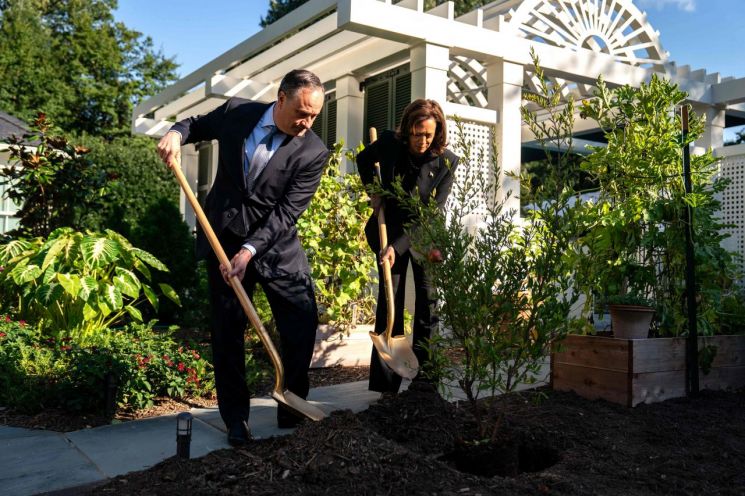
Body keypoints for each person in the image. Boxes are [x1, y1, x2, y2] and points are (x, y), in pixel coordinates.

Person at [157, 69, 329, 446]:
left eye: (314, 115)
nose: (307, 122)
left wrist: (250, 251)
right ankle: (236, 419)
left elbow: (286, 212)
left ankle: (292, 407)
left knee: (301, 326)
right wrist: (175, 133)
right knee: (228, 332)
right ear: (280, 99)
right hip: (224, 241)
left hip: (277, 249)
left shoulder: (313, 151)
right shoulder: (238, 112)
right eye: (302, 112)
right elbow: (194, 124)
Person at [355, 98, 459, 393]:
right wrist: (373, 191)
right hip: (388, 228)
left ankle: (427, 381)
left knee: (428, 304)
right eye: (417, 134)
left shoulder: (447, 162)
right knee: (390, 301)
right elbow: (363, 160)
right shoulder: (389, 143)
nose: (422, 141)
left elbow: (432, 212)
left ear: (437, 132)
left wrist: (398, 247)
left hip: (424, 236)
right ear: (407, 130)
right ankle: (386, 383)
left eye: (428, 134)